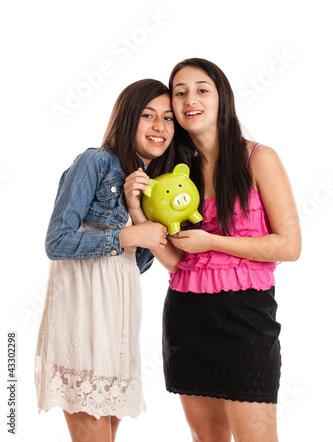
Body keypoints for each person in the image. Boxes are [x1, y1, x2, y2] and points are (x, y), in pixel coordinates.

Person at [125, 58, 301, 442]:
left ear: (222, 97)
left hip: (247, 320)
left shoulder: (258, 158)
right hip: (187, 319)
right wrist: (138, 211)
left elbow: (290, 246)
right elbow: (178, 264)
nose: (191, 99)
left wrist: (212, 241)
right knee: (207, 439)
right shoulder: (173, 171)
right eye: (180, 92)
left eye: (202, 89)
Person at [34, 79, 175, 442]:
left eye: (168, 118)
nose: (160, 126)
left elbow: (137, 264)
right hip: (83, 319)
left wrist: (134, 210)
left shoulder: (149, 182)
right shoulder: (95, 161)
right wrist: (126, 235)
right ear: (128, 117)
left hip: (117, 324)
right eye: (148, 115)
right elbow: (57, 241)